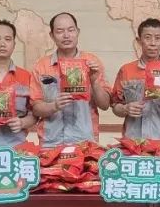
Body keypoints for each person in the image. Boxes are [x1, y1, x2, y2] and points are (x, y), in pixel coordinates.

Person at [31, 12, 111, 147]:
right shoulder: (41, 66)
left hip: (85, 142)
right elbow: (35, 108)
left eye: (71, 30)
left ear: (78, 32)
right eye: (60, 31)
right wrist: (54, 106)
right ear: (52, 35)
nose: (66, 35)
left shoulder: (92, 62)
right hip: (51, 143)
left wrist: (94, 81)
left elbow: (105, 105)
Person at [110, 18, 160, 140]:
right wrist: (125, 109)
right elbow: (115, 106)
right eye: (147, 38)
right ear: (139, 41)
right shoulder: (126, 70)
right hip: (133, 141)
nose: (153, 43)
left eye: (157, 38)